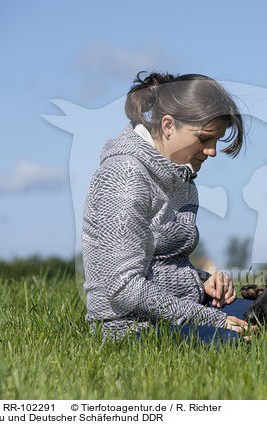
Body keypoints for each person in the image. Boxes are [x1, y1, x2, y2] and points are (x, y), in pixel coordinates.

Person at [82, 71, 254, 345]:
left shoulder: (180, 177)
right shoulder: (124, 175)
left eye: (216, 141)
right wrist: (213, 320)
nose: (211, 151)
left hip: (185, 311)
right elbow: (123, 287)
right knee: (241, 342)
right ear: (168, 125)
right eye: (204, 138)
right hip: (130, 328)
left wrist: (203, 283)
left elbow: (163, 265)